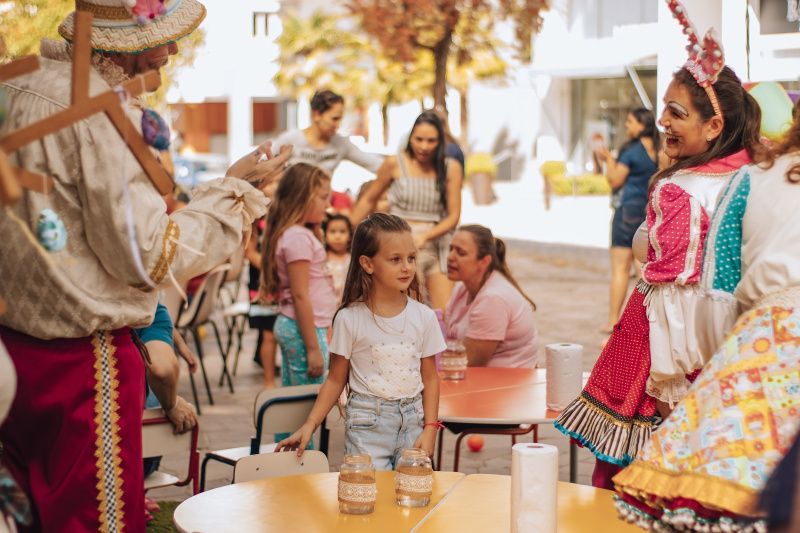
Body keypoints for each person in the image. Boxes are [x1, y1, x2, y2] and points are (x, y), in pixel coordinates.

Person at [0, 1, 291, 529]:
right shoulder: (106, 113)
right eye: (165, 38)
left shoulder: (17, 84)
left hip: (14, 356)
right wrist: (234, 191)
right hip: (83, 365)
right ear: (128, 47)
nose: (175, 49)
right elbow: (149, 255)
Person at [554, 13, 763, 489]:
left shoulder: (681, 186)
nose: (662, 122)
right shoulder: (750, 177)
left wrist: (670, 381)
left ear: (714, 126)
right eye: (664, 109)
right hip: (727, 347)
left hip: (665, 357)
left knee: (644, 482)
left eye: (676, 113)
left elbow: (673, 295)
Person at [612, 107, 800, 532]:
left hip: (762, 340)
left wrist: (722, 365)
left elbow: (720, 288)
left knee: (732, 487)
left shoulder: (751, 178)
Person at [276, 213, 445, 469]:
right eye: (395, 259)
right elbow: (335, 380)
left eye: (411, 258)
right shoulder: (348, 319)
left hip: (414, 423)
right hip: (367, 427)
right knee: (368, 497)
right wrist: (310, 424)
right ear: (367, 263)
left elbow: (431, 378)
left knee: (412, 498)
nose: (407, 267)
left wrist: (431, 427)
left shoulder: (424, 316)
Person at [351, 111, 464, 311]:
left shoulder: (451, 168)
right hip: (399, 246)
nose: (424, 146)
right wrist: (349, 226)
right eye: (418, 139)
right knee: (408, 310)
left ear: (441, 141)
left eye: (431, 140)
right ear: (410, 137)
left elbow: (454, 216)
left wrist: (425, 237)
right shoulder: (394, 163)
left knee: (444, 316)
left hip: (437, 244)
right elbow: (370, 198)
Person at [262, 163, 337, 391]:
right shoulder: (297, 238)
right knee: (305, 405)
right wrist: (313, 348)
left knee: (296, 403)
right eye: (324, 198)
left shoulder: (299, 235)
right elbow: (300, 294)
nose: (328, 205)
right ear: (304, 197)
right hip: (304, 329)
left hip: (305, 327)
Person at [594, 108, 659, 333]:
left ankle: (614, 320)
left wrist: (608, 160)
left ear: (642, 125)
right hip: (650, 212)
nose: (627, 126)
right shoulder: (660, 149)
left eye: (630, 122)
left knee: (620, 269)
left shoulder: (631, 150)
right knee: (643, 270)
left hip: (627, 212)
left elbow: (614, 180)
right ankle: (644, 320)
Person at [445, 225, 538, 368]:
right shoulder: (462, 289)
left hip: (508, 386)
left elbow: (469, 363)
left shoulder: (493, 299)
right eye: (450, 249)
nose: (450, 257)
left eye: (461, 253)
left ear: (484, 262)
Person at [272, 90, 383, 176]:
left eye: (340, 119)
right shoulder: (290, 140)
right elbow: (263, 167)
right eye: (334, 119)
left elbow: (376, 165)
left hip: (324, 202)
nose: (338, 125)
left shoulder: (341, 143)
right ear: (316, 115)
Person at [323, 213, 353, 305]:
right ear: (325, 236)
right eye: (332, 231)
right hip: (326, 306)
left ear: (350, 236)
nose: (337, 236)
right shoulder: (323, 258)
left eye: (342, 231)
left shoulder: (352, 259)